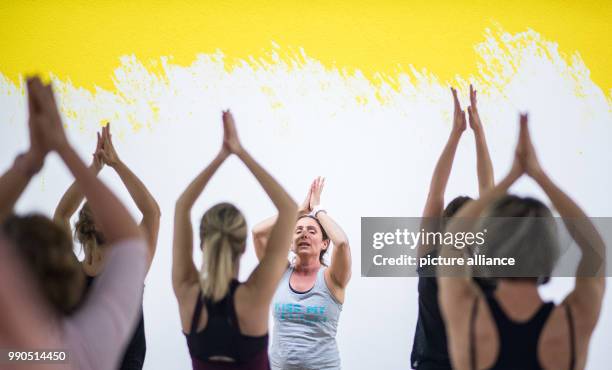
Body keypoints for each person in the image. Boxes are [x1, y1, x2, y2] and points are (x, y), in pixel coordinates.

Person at [0, 77, 148, 370]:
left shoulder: (16, 354)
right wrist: (66, 149)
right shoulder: (87, 349)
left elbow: (63, 216)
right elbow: (135, 236)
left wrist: (33, 159)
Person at [438, 114, 606, 370]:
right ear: (550, 251)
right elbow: (595, 250)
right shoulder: (572, 323)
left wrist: (512, 176)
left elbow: (452, 239)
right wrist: (539, 175)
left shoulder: (467, 314)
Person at [172, 110, 297, 369]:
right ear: (243, 246)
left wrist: (220, 156)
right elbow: (289, 209)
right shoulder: (254, 296)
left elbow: (182, 206)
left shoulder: (187, 292)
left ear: (201, 242)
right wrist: (238, 151)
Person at [54, 123, 160, 370]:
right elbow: (152, 213)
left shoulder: (68, 272)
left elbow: (61, 215)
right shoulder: (128, 272)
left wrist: (93, 170)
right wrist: (115, 163)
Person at [411, 85, 495, 370]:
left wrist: (478, 131)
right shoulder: (429, 254)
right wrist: (456, 134)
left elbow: (488, 191)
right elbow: (436, 193)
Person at [253, 177, 352, 370]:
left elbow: (342, 243)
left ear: (324, 243)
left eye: (312, 231)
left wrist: (317, 209)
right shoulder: (279, 273)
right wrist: (299, 210)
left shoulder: (332, 278)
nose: (304, 234)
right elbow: (258, 233)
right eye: (298, 230)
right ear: (290, 243)